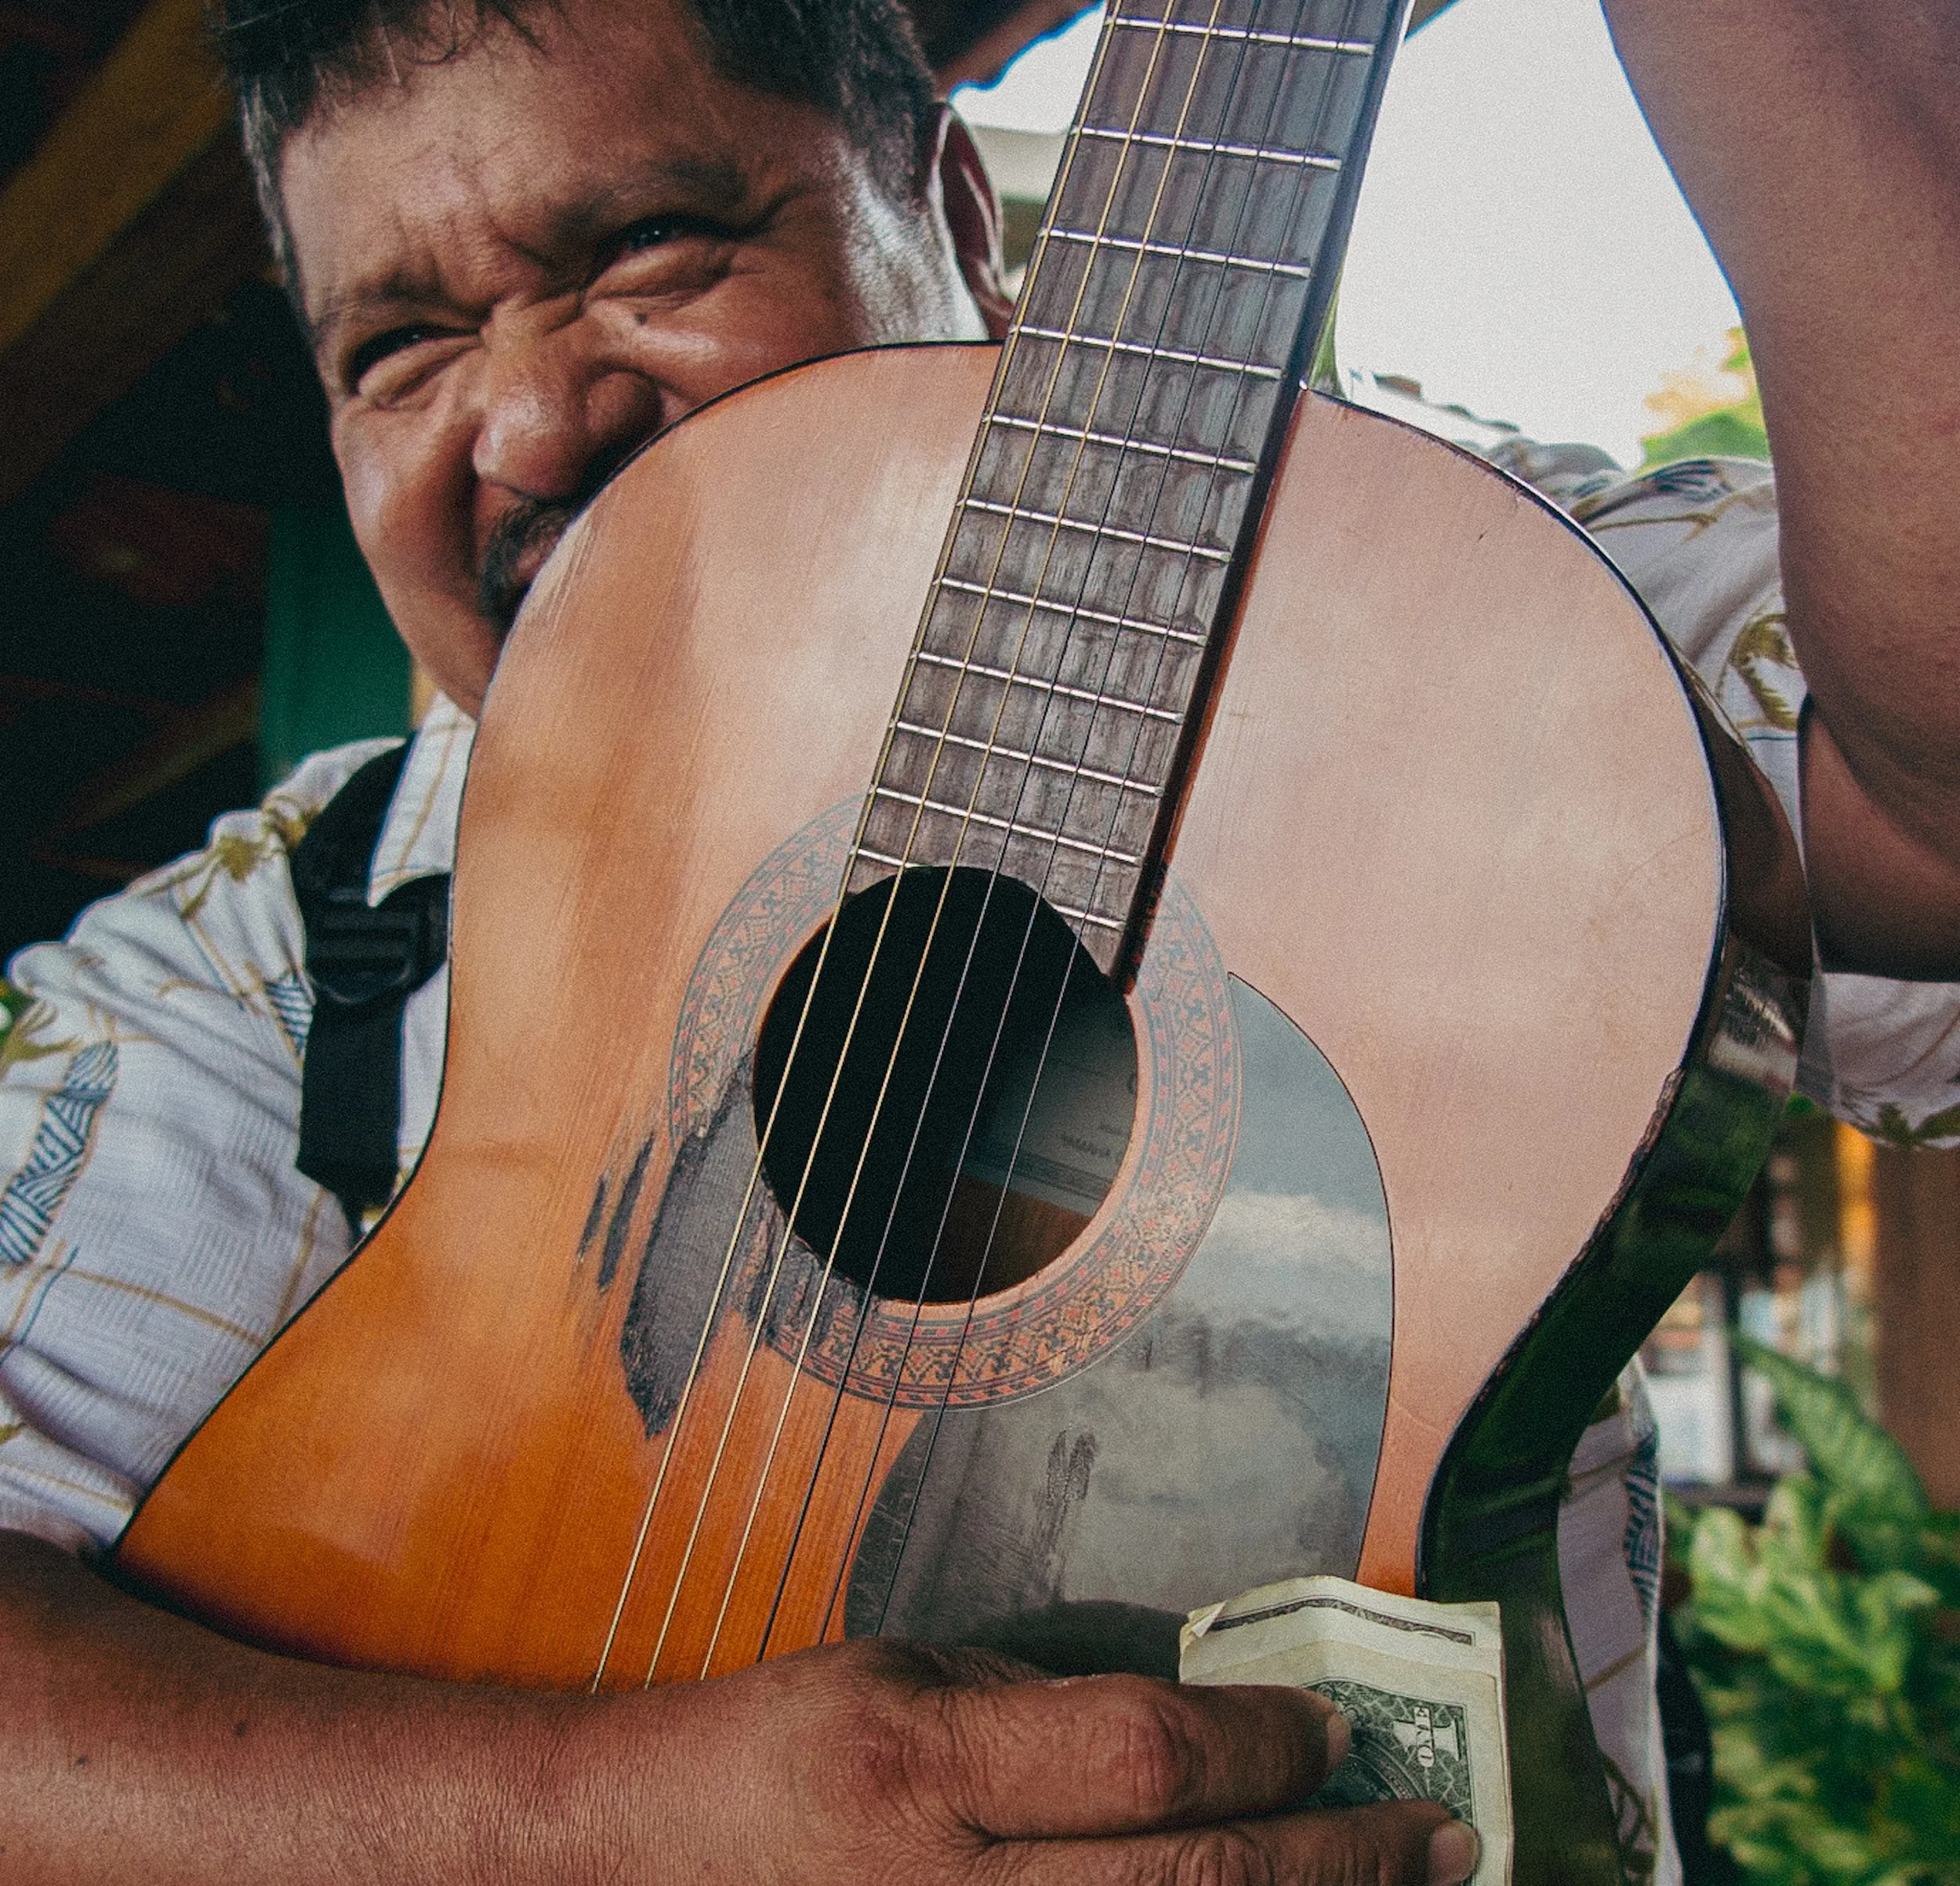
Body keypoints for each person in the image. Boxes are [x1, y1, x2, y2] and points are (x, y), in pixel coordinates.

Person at [2, 0, 1958, 1880]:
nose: (528, 421)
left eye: (649, 249)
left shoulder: (1443, 642)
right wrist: (602, 1825)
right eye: (401, 347)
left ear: (951, 218)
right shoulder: (264, 945)